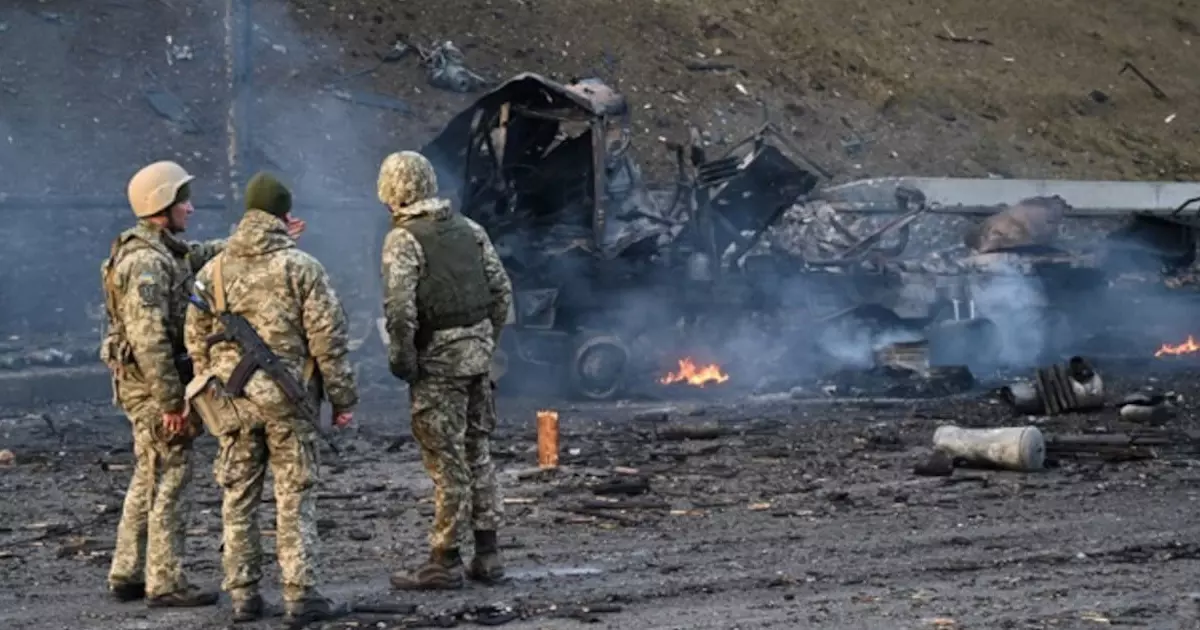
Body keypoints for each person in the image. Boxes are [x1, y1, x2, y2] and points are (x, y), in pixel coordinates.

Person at [183, 172, 358, 624]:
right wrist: (342, 400)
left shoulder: (213, 270)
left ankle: (243, 595)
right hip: (288, 404)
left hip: (233, 406)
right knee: (294, 497)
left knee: (238, 497)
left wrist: (213, 385)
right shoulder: (302, 268)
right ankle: (301, 595)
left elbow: (194, 340)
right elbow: (329, 341)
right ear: (284, 215)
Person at [100, 160, 240, 607]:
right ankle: (165, 583)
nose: (191, 208)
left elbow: (200, 255)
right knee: (171, 475)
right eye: (184, 200)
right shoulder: (146, 264)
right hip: (152, 388)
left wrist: (253, 239)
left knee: (150, 472)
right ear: (163, 206)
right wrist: (171, 403)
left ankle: (127, 571)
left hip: (145, 385)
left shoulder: (161, 251)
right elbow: (149, 342)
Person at [376, 151, 513, 590]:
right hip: (478, 360)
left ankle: (444, 558)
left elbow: (400, 312)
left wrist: (405, 362)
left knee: (446, 460)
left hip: (438, 366)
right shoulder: (470, 230)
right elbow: (501, 292)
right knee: (479, 452)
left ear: (391, 193)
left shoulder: (403, 241)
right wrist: (484, 344)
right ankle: (488, 554)